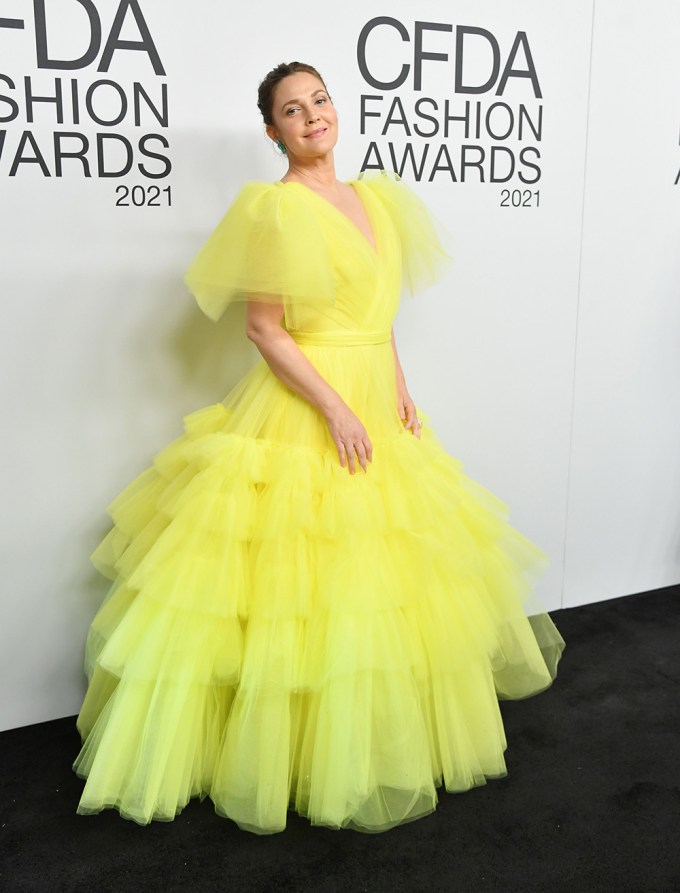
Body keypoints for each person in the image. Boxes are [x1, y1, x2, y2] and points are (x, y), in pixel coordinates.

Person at [73, 61, 565, 834]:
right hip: (312, 403)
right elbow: (264, 329)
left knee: (382, 573)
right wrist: (335, 407)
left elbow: (379, 313)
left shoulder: (376, 198)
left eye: (321, 101)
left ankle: (379, 734)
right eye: (293, 111)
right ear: (272, 131)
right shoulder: (276, 210)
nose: (313, 118)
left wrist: (398, 384)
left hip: (376, 395)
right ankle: (291, 751)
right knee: (297, 581)